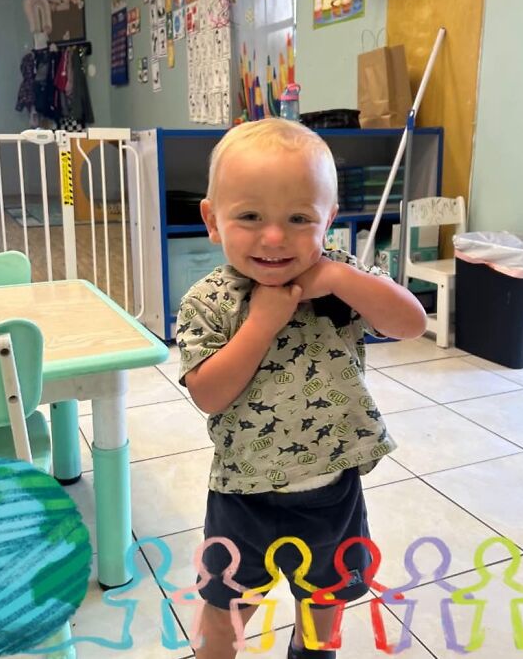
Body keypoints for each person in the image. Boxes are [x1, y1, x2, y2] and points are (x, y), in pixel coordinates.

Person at [176, 118, 427, 659]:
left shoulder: (342, 277)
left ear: (328, 220)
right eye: (249, 216)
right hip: (242, 495)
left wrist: (339, 279)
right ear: (212, 220)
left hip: (331, 491)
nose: (274, 237)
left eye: (298, 218)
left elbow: (411, 324)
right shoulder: (209, 300)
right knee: (224, 613)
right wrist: (262, 323)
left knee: (321, 613)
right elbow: (208, 394)